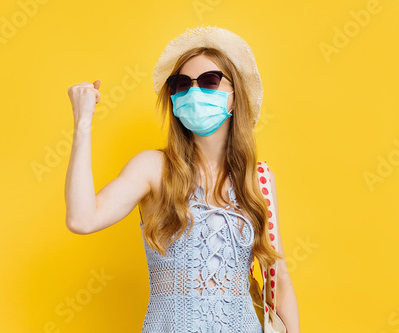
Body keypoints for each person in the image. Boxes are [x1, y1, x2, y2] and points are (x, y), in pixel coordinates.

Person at [65, 26, 300, 332]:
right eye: (181, 84)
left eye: (209, 81)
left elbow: (278, 277)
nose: (193, 92)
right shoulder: (153, 168)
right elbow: (81, 219)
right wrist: (83, 122)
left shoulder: (258, 178)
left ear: (234, 94)